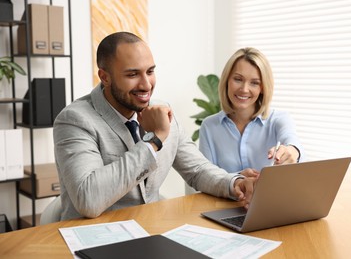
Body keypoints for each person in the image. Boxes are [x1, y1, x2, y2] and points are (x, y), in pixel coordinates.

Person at [53, 32, 257, 221]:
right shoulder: (74, 120)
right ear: (105, 77)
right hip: (91, 239)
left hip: (149, 231)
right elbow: (88, 201)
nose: (146, 85)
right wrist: (154, 139)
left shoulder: (162, 111)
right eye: (132, 75)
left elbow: (197, 170)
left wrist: (236, 184)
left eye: (150, 71)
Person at [199, 47, 304, 174]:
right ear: (227, 81)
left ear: (263, 88)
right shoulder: (209, 126)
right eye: (238, 79)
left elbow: (291, 140)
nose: (244, 89)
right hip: (224, 195)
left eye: (254, 83)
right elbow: (206, 177)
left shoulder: (279, 120)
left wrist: (293, 151)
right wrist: (236, 180)